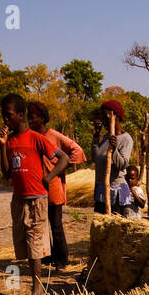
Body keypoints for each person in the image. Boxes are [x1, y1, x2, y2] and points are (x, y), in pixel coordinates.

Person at [0, 93, 69, 295]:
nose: (5, 120)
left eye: (9, 115)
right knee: (26, 245)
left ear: (20, 115)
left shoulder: (36, 138)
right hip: (19, 199)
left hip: (37, 198)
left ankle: (38, 290)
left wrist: (48, 177)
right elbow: (6, 172)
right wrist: (2, 145)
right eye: (3, 116)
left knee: (36, 244)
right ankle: (36, 288)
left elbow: (63, 158)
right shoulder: (9, 142)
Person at [26, 101, 85, 268]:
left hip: (53, 186)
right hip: (37, 188)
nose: (30, 120)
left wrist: (59, 169)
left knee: (56, 224)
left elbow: (77, 151)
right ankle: (47, 256)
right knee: (42, 224)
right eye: (28, 117)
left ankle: (62, 259)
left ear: (43, 118)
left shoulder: (54, 136)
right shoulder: (32, 137)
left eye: (33, 117)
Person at [92, 100, 133, 215]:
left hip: (116, 192)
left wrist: (114, 150)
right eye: (102, 118)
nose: (103, 121)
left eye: (106, 117)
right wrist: (96, 137)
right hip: (102, 190)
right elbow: (95, 158)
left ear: (116, 117)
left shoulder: (125, 139)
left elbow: (123, 164)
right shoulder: (106, 137)